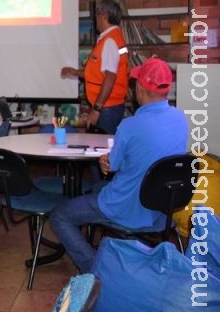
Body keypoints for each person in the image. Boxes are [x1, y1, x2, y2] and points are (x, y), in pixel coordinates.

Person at [50, 57, 188, 273]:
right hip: (162, 209)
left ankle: (97, 269)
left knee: (60, 215)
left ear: (140, 88)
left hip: (126, 207)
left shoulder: (130, 125)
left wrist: (106, 161)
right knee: (96, 189)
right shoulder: (181, 119)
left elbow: (111, 166)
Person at [61, 0, 129, 134]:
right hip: (109, 107)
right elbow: (99, 73)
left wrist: (96, 110)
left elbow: (110, 77)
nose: (96, 19)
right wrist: (75, 72)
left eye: (97, 15)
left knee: (102, 150)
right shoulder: (112, 37)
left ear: (105, 16)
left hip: (107, 109)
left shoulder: (109, 41)